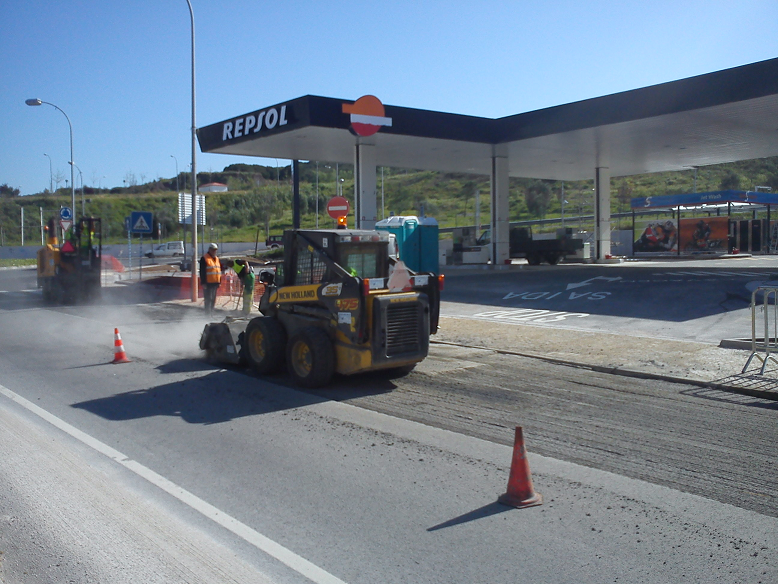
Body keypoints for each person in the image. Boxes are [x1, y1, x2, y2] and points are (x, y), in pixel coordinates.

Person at [199, 243, 222, 317]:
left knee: (213, 299)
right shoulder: (204, 258)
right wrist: (203, 283)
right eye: (213, 250)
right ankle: (207, 315)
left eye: (215, 250)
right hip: (208, 283)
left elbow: (218, 270)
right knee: (208, 299)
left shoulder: (217, 259)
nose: (214, 251)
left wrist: (219, 281)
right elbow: (202, 271)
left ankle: (211, 313)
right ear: (209, 249)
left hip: (215, 282)